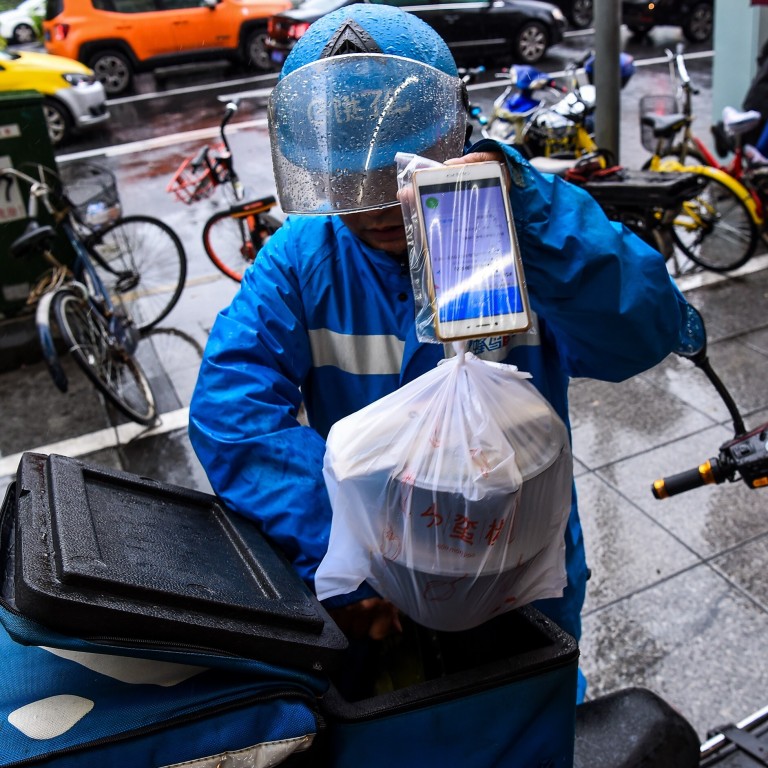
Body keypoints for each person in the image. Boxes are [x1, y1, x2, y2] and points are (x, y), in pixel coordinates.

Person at [188, 3, 689, 684]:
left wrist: (530, 214)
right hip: (378, 583)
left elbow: (643, 332)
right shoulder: (300, 260)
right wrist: (344, 546)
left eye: (400, 167)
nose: (378, 205)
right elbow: (231, 408)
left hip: (518, 570)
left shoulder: (520, 229)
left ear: (453, 133)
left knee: (528, 731)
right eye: (348, 180)